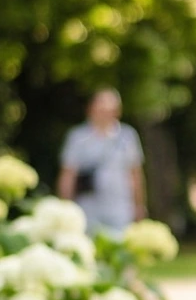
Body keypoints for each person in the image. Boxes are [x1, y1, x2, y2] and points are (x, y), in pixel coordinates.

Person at [57, 89, 147, 234]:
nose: (105, 113)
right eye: (101, 108)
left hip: (120, 208)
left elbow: (135, 174)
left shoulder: (127, 136)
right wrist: (65, 207)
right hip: (87, 207)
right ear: (90, 109)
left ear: (117, 112)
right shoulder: (77, 137)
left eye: (109, 110)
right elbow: (68, 175)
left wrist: (139, 205)